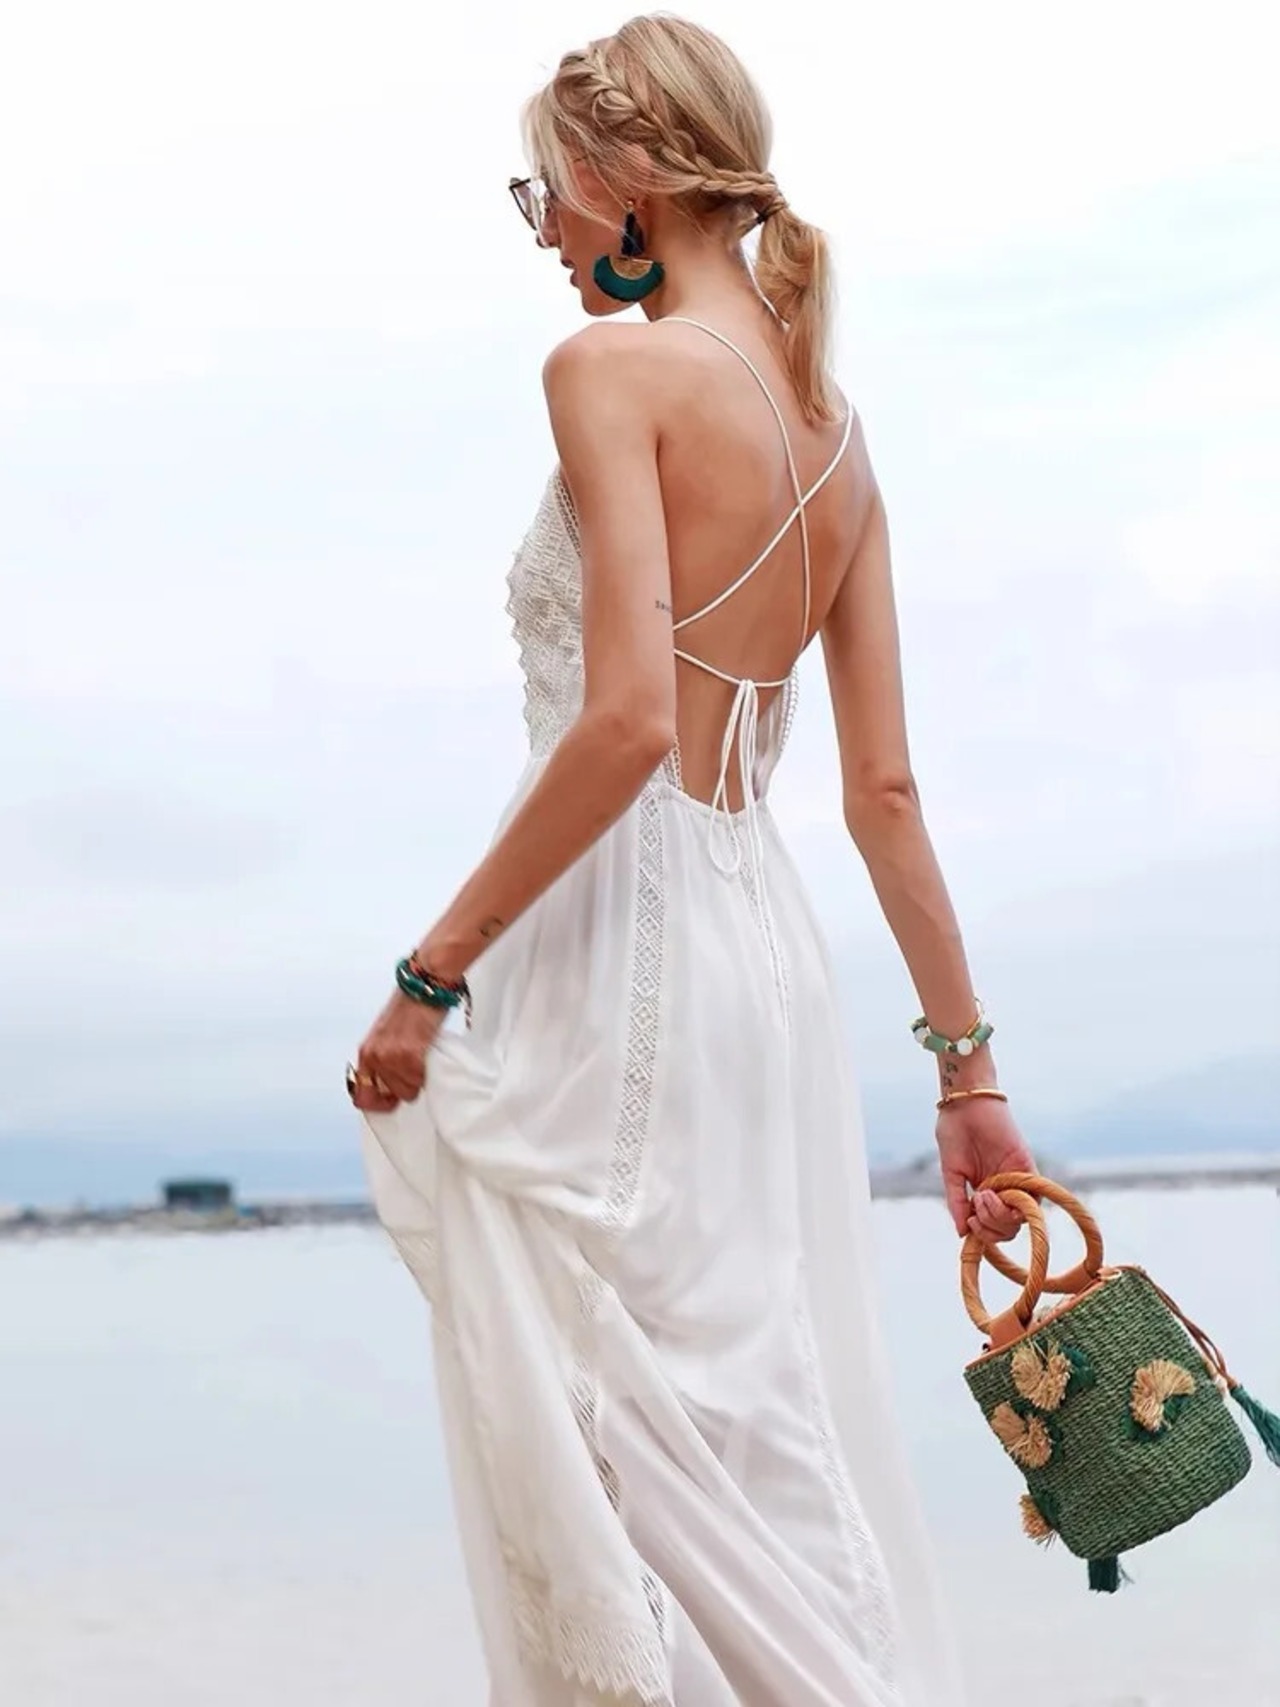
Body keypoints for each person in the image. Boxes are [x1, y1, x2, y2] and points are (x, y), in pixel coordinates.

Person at [350, 14, 1035, 1706]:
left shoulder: (611, 373)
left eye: (547, 193)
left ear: (629, 173)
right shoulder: (838, 438)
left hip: (615, 944)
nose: (545, 235)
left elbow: (625, 726)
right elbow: (884, 795)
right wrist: (967, 1076)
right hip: (765, 963)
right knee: (751, 1424)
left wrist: (431, 974)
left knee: (608, 1419)